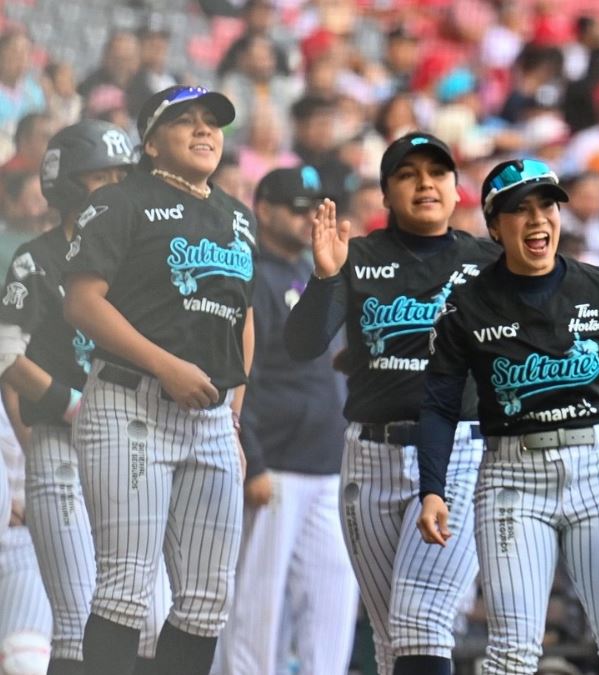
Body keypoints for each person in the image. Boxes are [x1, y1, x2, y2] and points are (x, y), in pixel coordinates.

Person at [416, 157, 599, 674]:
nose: (538, 221)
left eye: (547, 207)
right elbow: (440, 405)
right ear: (494, 226)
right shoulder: (463, 305)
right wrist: (433, 488)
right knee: (513, 652)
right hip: (512, 477)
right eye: (520, 211)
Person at [284, 132, 497, 675]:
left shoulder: (489, 261)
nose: (425, 183)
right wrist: (325, 278)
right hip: (369, 455)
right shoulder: (359, 256)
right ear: (385, 194)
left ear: (456, 190)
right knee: (389, 638)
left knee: (420, 621)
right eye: (407, 174)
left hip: (458, 455)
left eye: (437, 173)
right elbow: (304, 344)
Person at [61, 85, 254, 675]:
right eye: (185, 122)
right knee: (126, 588)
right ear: (149, 143)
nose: (204, 131)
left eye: (212, 123)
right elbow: (81, 303)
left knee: (205, 603)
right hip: (130, 404)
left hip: (213, 420)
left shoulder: (237, 216)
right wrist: (165, 365)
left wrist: (236, 418)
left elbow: (243, 317)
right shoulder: (120, 202)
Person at [0, 120, 172, 675]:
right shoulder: (36, 258)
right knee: (77, 628)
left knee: (154, 621)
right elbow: (5, 354)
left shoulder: (140, 259)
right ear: (70, 184)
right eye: (104, 176)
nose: (119, 186)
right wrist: (75, 404)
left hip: (132, 450)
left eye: (125, 175)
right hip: (64, 450)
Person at [216, 167, 357, 674]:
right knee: (256, 607)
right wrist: (251, 459)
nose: (305, 218)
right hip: (273, 461)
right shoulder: (250, 275)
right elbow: (239, 375)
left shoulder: (314, 272)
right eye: (295, 207)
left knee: (333, 597)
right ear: (264, 209)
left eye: (312, 207)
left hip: (326, 462)